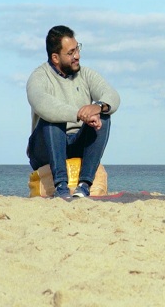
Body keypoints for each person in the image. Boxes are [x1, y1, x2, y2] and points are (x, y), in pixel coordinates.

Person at [26, 25, 120, 199]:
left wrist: (98, 107)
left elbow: (112, 96)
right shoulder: (39, 77)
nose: (77, 56)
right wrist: (79, 114)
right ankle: (61, 186)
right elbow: (43, 104)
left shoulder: (86, 74)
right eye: (70, 53)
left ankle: (84, 185)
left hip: (76, 142)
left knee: (104, 116)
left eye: (77, 49)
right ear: (55, 57)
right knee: (52, 118)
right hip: (46, 146)